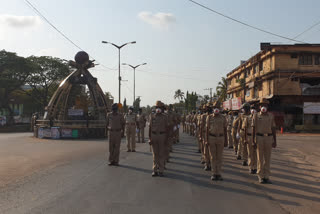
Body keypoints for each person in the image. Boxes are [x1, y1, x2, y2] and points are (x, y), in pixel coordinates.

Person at [252, 98, 277, 184]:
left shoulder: (271, 116)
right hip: (259, 138)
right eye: (262, 105)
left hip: (269, 138)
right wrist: (253, 141)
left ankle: (266, 176)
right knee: (260, 158)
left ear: (267, 106)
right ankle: (260, 176)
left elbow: (273, 128)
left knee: (267, 158)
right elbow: (253, 128)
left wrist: (275, 141)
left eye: (265, 105)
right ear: (259, 107)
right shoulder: (256, 115)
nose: (264, 107)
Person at [206, 106, 227, 181]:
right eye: (215, 107)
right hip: (211, 137)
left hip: (221, 138)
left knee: (219, 157)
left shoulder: (223, 118)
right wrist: (206, 140)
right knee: (213, 157)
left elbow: (225, 129)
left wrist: (226, 140)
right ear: (213, 109)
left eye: (217, 107)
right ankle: (214, 173)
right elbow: (207, 129)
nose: (216, 109)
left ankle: (219, 173)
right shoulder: (209, 117)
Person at [149, 101, 169, 177]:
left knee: (161, 153)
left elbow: (167, 128)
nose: (158, 109)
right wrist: (150, 138)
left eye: (159, 108)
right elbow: (150, 128)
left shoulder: (165, 117)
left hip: (162, 135)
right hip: (154, 135)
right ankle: (154, 170)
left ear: (162, 109)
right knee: (155, 154)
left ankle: (161, 170)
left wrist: (166, 139)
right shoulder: (152, 116)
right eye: (157, 107)